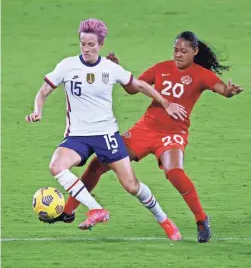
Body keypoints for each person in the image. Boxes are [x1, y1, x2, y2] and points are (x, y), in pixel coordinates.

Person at [53, 31, 243, 243]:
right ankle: (69, 210)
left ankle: (201, 219)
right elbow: (134, 88)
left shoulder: (201, 74)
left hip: (173, 133)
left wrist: (230, 90)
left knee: (174, 172)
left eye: (184, 51)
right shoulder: (162, 68)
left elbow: (222, 90)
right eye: (176, 50)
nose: (178, 55)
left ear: (195, 51)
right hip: (145, 129)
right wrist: (119, 69)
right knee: (99, 163)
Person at [25, 18, 188, 239]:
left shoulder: (110, 68)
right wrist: (37, 111)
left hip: (106, 135)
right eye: (83, 43)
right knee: (57, 165)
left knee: (132, 186)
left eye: (91, 45)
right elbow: (43, 91)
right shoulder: (67, 65)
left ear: (101, 44)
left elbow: (139, 85)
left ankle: (165, 220)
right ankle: (96, 209)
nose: (86, 49)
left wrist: (166, 104)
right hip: (78, 136)